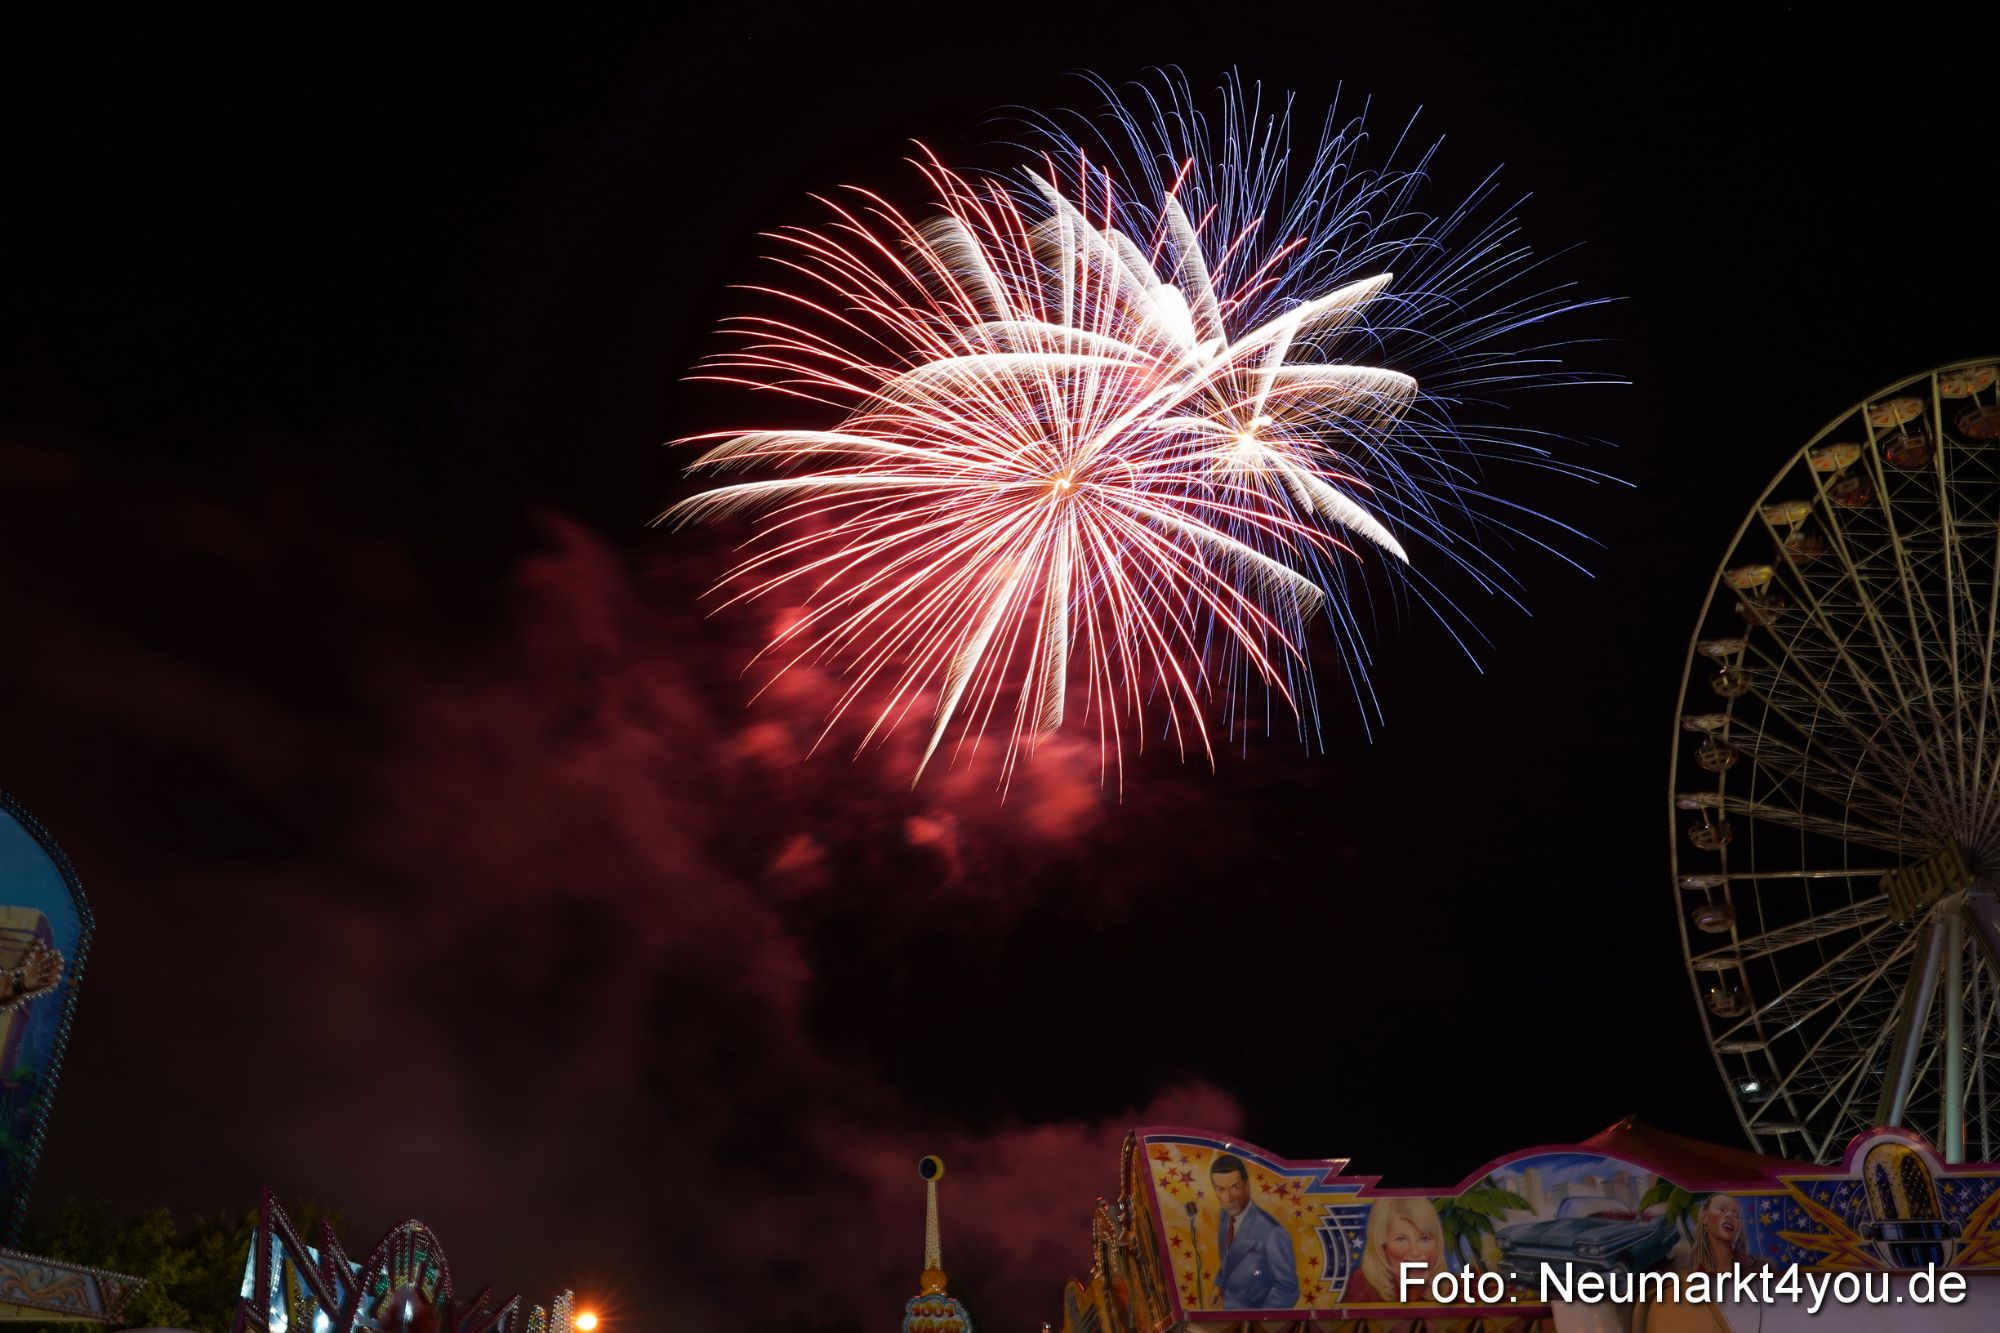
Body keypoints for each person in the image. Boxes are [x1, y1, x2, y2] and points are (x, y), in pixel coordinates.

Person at [1207, 1153, 1299, 1309]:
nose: (1227, 1198)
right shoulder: (1224, 1217)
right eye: (1220, 1189)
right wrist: (1219, 1284)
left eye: (1235, 1188)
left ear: (1247, 1186)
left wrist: (1258, 1323)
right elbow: (1231, 1261)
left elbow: (1287, 1289)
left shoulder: (1272, 1233)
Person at [1342, 1196, 1447, 1304]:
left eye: (1424, 1239)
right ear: (1382, 1246)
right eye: (1400, 1239)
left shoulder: (1454, 1289)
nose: (1415, 1252)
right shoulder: (1363, 1286)